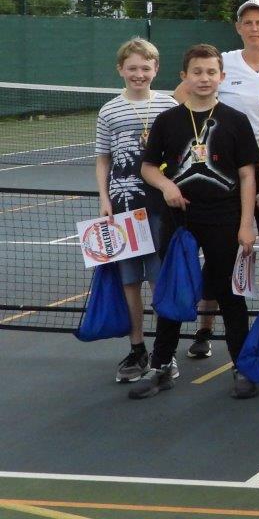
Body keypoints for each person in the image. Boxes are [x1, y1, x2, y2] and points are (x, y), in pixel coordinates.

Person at [131, 45, 259, 400]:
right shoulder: (167, 121)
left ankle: (242, 367)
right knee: (174, 290)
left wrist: (246, 224)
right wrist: (166, 185)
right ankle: (160, 366)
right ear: (184, 76)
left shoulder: (235, 120)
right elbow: (147, 167)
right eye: (197, 72)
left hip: (224, 218)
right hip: (179, 220)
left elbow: (247, 175)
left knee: (230, 294)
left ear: (222, 76)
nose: (204, 78)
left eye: (211, 72)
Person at [179, 0, 259, 360]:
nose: (254, 28)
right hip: (227, 173)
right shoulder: (221, 63)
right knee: (219, 254)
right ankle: (204, 329)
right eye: (247, 22)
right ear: (238, 27)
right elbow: (180, 100)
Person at [94, 38, 178, 383]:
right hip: (123, 208)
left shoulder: (169, 106)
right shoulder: (109, 111)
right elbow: (103, 159)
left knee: (159, 279)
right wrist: (104, 198)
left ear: (156, 69)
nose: (139, 74)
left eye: (145, 67)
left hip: (159, 207)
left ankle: (164, 353)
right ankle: (137, 348)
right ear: (121, 70)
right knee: (130, 281)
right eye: (132, 68)